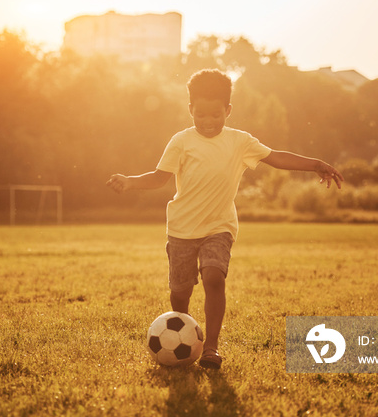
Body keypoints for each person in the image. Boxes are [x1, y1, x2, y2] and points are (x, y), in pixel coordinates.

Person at [106, 69, 343, 369]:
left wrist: (315, 165)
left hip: (219, 227)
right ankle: (186, 335)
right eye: (200, 114)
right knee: (180, 292)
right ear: (190, 109)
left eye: (215, 114)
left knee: (214, 277)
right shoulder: (181, 141)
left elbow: (276, 157)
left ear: (228, 111)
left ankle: (211, 348)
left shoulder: (240, 142)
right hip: (181, 228)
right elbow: (158, 178)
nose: (208, 121)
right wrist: (129, 181)